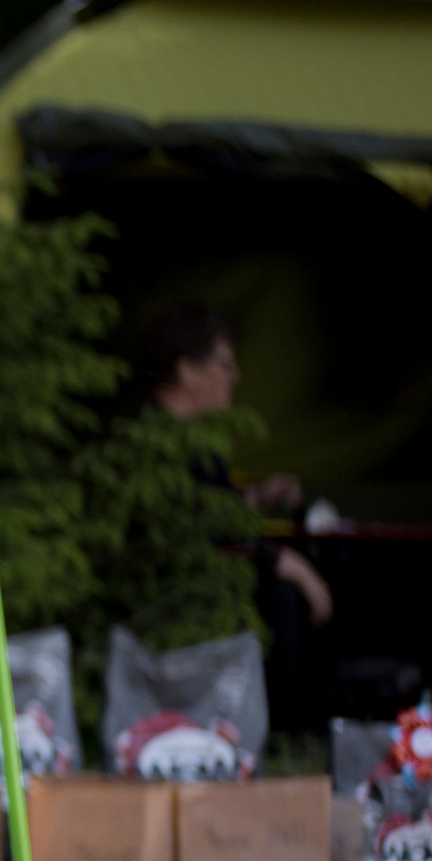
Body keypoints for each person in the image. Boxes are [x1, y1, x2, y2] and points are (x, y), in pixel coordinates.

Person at [133, 302, 332, 725]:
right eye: (225, 364)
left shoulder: (194, 443)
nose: (235, 377)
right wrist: (285, 564)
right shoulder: (154, 447)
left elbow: (207, 510)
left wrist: (255, 496)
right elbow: (189, 537)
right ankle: (288, 735)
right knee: (281, 593)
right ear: (187, 371)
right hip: (173, 607)